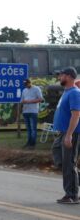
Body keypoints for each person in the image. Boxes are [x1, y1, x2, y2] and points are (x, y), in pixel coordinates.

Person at [51, 67, 80, 204]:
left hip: (71, 133)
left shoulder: (74, 93)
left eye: (61, 75)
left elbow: (76, 114)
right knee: (58, 154)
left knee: (69, 163)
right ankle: (74, 180)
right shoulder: (68, 91)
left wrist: (69, 135)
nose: (59, 77)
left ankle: (72, 195)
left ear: (68, 76)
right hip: (62, 133)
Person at [21, 79, 43, 149]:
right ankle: (29, 142)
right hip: (25, 111)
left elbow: (41, 99)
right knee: (28, 129)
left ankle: (33, 144)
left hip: (33, 111)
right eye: (25, 84)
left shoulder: (36, 89)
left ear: (30, 83)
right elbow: (22, 100)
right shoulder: (24, 90)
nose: (26, 85)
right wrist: (23, 102)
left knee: (33, 128)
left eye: (27, 84)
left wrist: (29, 101)